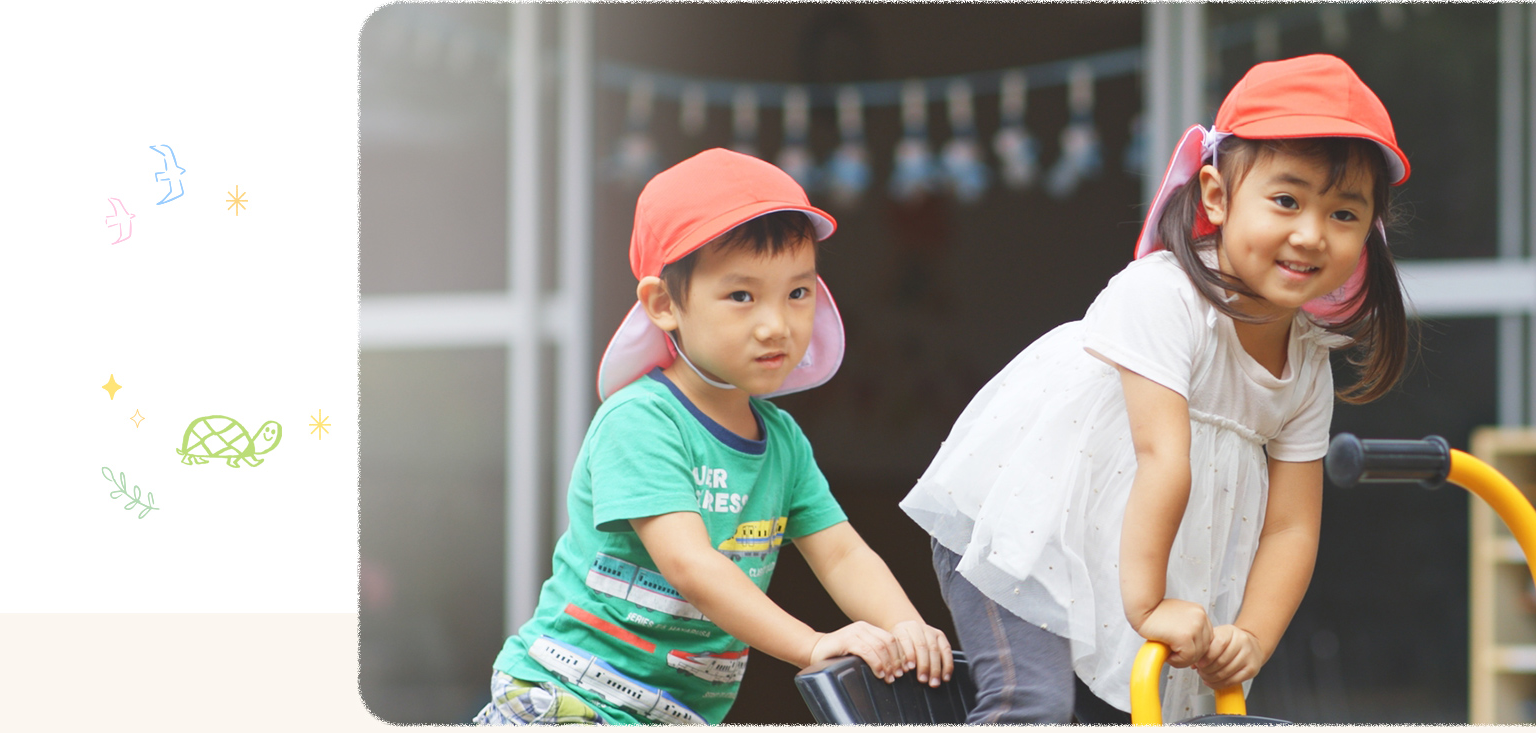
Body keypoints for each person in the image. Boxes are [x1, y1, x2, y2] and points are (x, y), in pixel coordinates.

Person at [899, 54, 1414, 723]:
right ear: (1217, 195)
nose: (1311, 233)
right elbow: (1162, 457)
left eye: (1344, 214)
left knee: (1123, 713)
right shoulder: (1165, 297)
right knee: (1033, 704)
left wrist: (1252, 636)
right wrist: (1148, 606)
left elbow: (1292, 527)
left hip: (1133, 555)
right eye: (1286, 200)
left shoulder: (1308, 363)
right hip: (1029, 525)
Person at [479, 149, 952, 726]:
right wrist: (811, 645)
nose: (775, 323)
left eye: (797, 293)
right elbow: (690, 566)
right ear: (664, 304)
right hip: (567, 699)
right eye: (741, 296)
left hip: (672, 716)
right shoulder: (642, 421)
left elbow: (843, 552)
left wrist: (903, 626)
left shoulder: (782, 443)